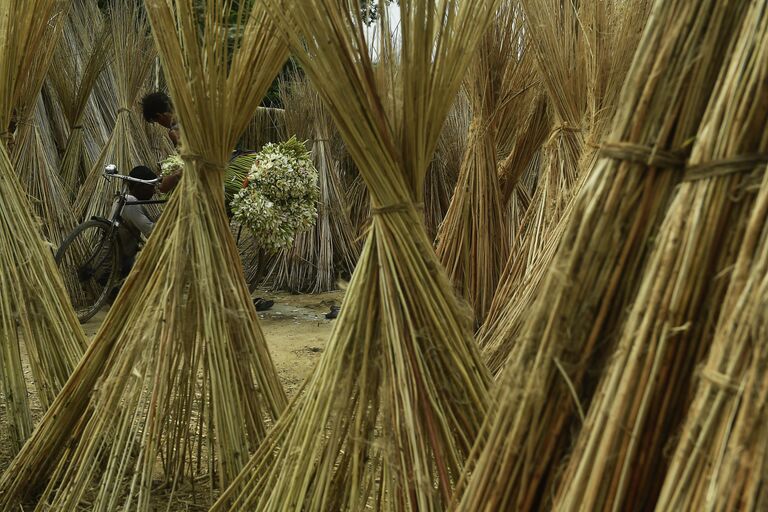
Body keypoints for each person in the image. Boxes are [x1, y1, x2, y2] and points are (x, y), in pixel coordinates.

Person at [117, 165, 157, 277]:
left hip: (121, 260)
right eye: (151, 187)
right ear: (139, 186)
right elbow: (152, 232)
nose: (154, 191)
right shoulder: (130, 202)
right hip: (118, 266)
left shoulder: (124, 199)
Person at [141, 91, 182, 193]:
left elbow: (193, 162)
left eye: (156, 121)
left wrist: (172, 178)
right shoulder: (192, 117)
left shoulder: (175, 132)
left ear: (159, 116)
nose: (160, 124)